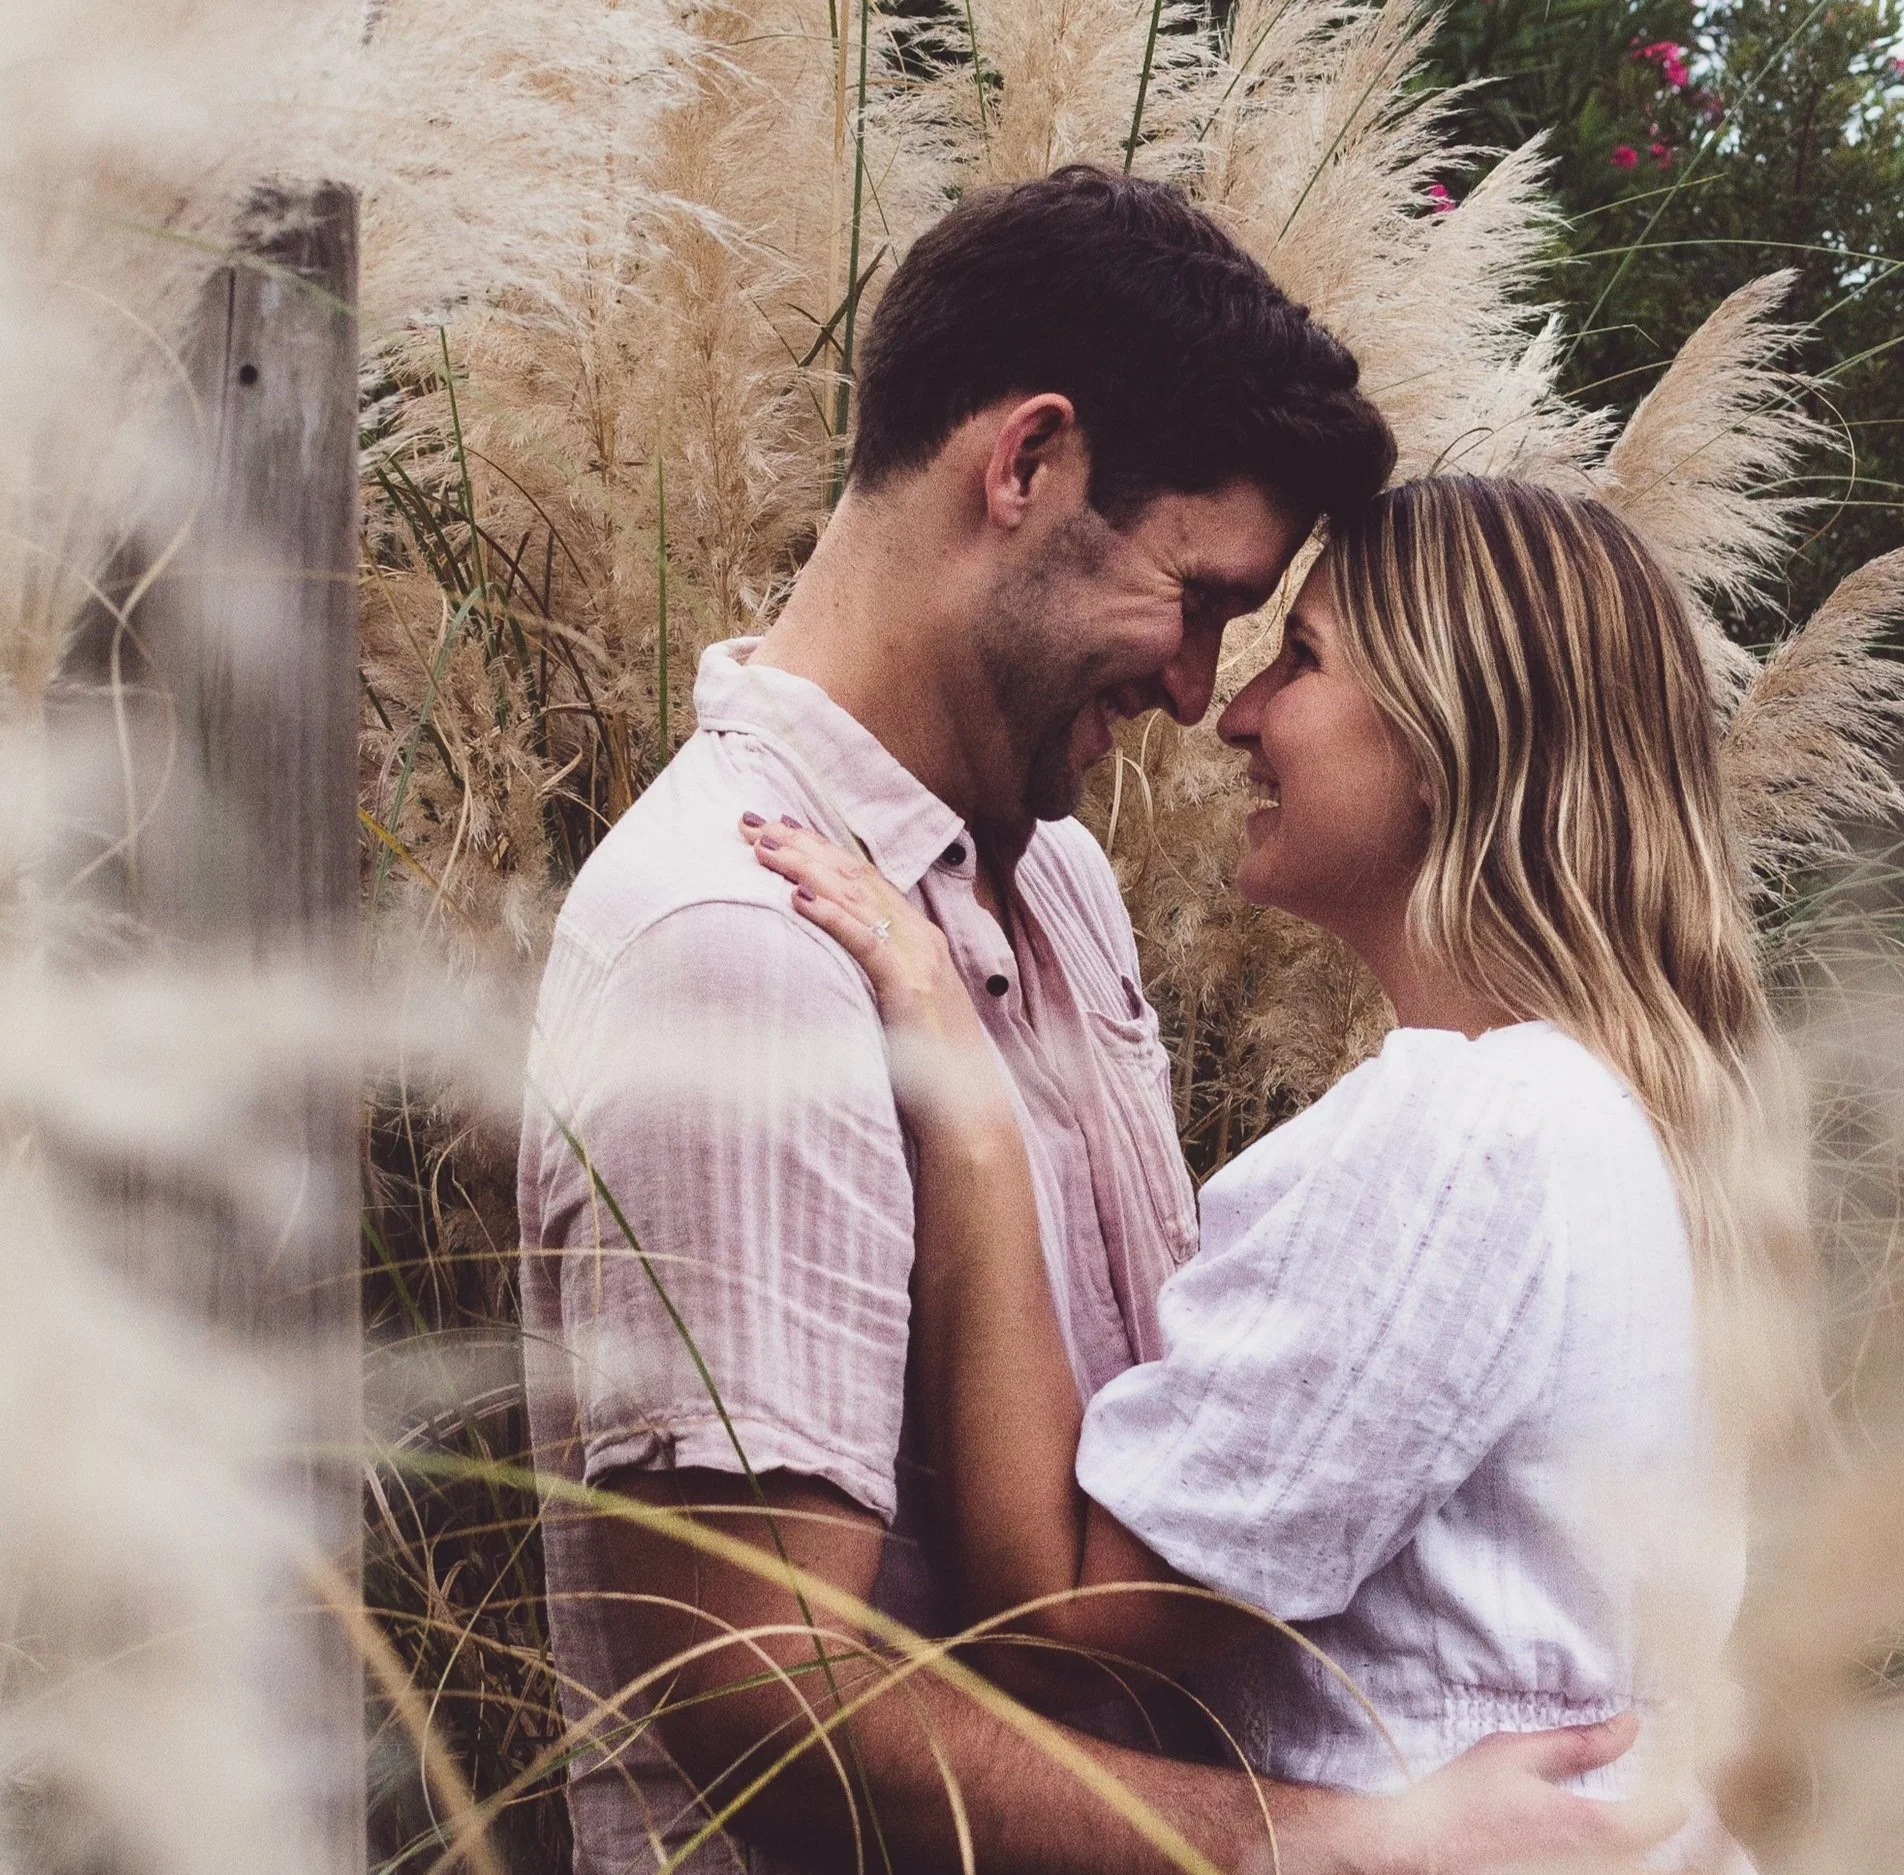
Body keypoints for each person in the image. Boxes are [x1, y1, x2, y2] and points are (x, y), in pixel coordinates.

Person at [518, 170, 1655, 1875]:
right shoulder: (740, 944)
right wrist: (1349, 1843)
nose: (1203, 692)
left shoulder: (1055, 890)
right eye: (1199, 598)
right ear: (1027, 464)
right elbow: (757, 1695)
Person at [744, 476, 1794, 1871]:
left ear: (1442, 737)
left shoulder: (1463, 1132)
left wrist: (969, 1102)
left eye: (1301, 661)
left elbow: (1061, 1611)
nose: (1234, 713)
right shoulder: (1644, 1117)